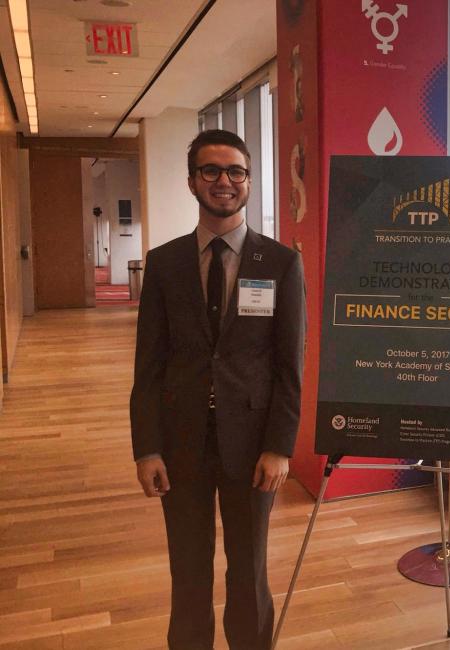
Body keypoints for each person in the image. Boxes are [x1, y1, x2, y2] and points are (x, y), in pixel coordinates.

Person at [130, 129, 306, 650]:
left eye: (236, 171)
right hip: (181, 443)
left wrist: (279, 446)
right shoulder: (164, 264)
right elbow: (148, 365)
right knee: (188, 570)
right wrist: (147, 448)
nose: (224, 181)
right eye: (211, 170)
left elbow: (289, 364)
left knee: (249, 571)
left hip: (252, 446)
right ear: (192, 181)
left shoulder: (279, 263)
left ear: (249, 181)